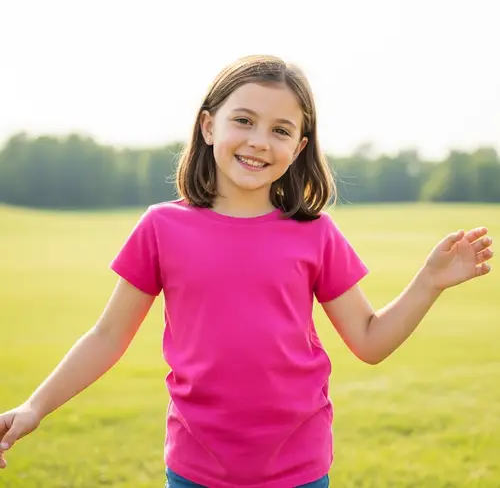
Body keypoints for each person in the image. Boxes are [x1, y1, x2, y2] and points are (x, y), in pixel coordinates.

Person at [0, 55, 494, 488]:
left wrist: (428, 282)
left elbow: (369, 341)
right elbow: (107, 336)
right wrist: (35, 407)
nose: (260, 141)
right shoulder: (161, 227)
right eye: (244, 120)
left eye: (280, 130)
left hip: (299, 467)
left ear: (299, 147)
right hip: (197, 468)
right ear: (208, 126)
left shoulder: (315, 233)